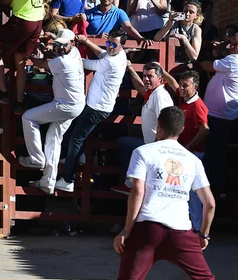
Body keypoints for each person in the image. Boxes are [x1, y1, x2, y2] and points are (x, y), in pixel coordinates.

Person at [97, 106, 238, 280]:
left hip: (147, 228)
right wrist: (203, 233)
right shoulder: (192, 160)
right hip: (181, 231)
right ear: (182, 130)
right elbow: (210, 204)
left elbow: (137, 191)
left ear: (158, 127)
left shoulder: (143, 152)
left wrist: (126, 230)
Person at [56, 30, 127, 193]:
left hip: (96, 107)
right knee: (76, 136)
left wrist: (67, 57)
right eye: (108, 42)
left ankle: (67, 179)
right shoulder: (119, 56)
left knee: (76, 139)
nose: (109, 47)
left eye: (113, 44)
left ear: (121, 45)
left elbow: (89, 64)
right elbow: (103, 54)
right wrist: (87, 42)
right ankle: (75, 158)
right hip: (99, 106)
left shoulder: (111, 62)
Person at [18, 29, 85, 194]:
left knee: (28, 118)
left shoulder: (62, 62)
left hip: (65, 105)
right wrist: (54, 39)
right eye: (58, 44)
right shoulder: (75, 52)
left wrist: (26, 56)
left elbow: (40, 64)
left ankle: (36, 159)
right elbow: (63, 45)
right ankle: (48, 182)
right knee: (53, 140)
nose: (60, 48)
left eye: (63, 45)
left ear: (72, 43)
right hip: (76, 105)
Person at [111, 61, 173, 195]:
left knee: (124, 143)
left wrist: (158, 149)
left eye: (150, 76)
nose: (146, 79)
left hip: (153, 147)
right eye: (144, 76)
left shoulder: (159, 96)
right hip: (151, 145)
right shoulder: (153, 93)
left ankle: (131, 184)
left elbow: (166, 123)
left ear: (160, 78)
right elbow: (140, 86)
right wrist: (130, 68)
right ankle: (132, 183)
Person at [160, 69, 209, 231]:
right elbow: (174, 84)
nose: (181, 88)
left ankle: (197, 228)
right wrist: (162, 71)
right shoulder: (185, 98)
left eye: (186, 86)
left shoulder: (197, 105)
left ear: (195, 87)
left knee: (193, 192)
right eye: (182, 85)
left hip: (193, 154)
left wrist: (188, 148)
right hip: (184, 153)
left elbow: (205, 129)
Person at [0, 0, 45, 114]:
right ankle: (19, 102)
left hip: (23, 19)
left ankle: (2, 92)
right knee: (20, 60)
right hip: (37, 20)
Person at [199, 30, 238, 199]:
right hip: (225, 115)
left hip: (218, 116)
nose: (231, 47)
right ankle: (217, 189)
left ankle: (208, 189)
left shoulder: (234, 60)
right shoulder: (230, 60)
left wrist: (210, 55)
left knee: (210, 153)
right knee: (218, 152)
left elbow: (207, 66)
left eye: (235, 44)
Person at [85, 0, 153, 44]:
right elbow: (80, 34)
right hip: (90, 53)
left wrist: (140, 38)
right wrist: (94, 37)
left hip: (111, 53)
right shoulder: (88, 13)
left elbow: (128, 27)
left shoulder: (119, 13)